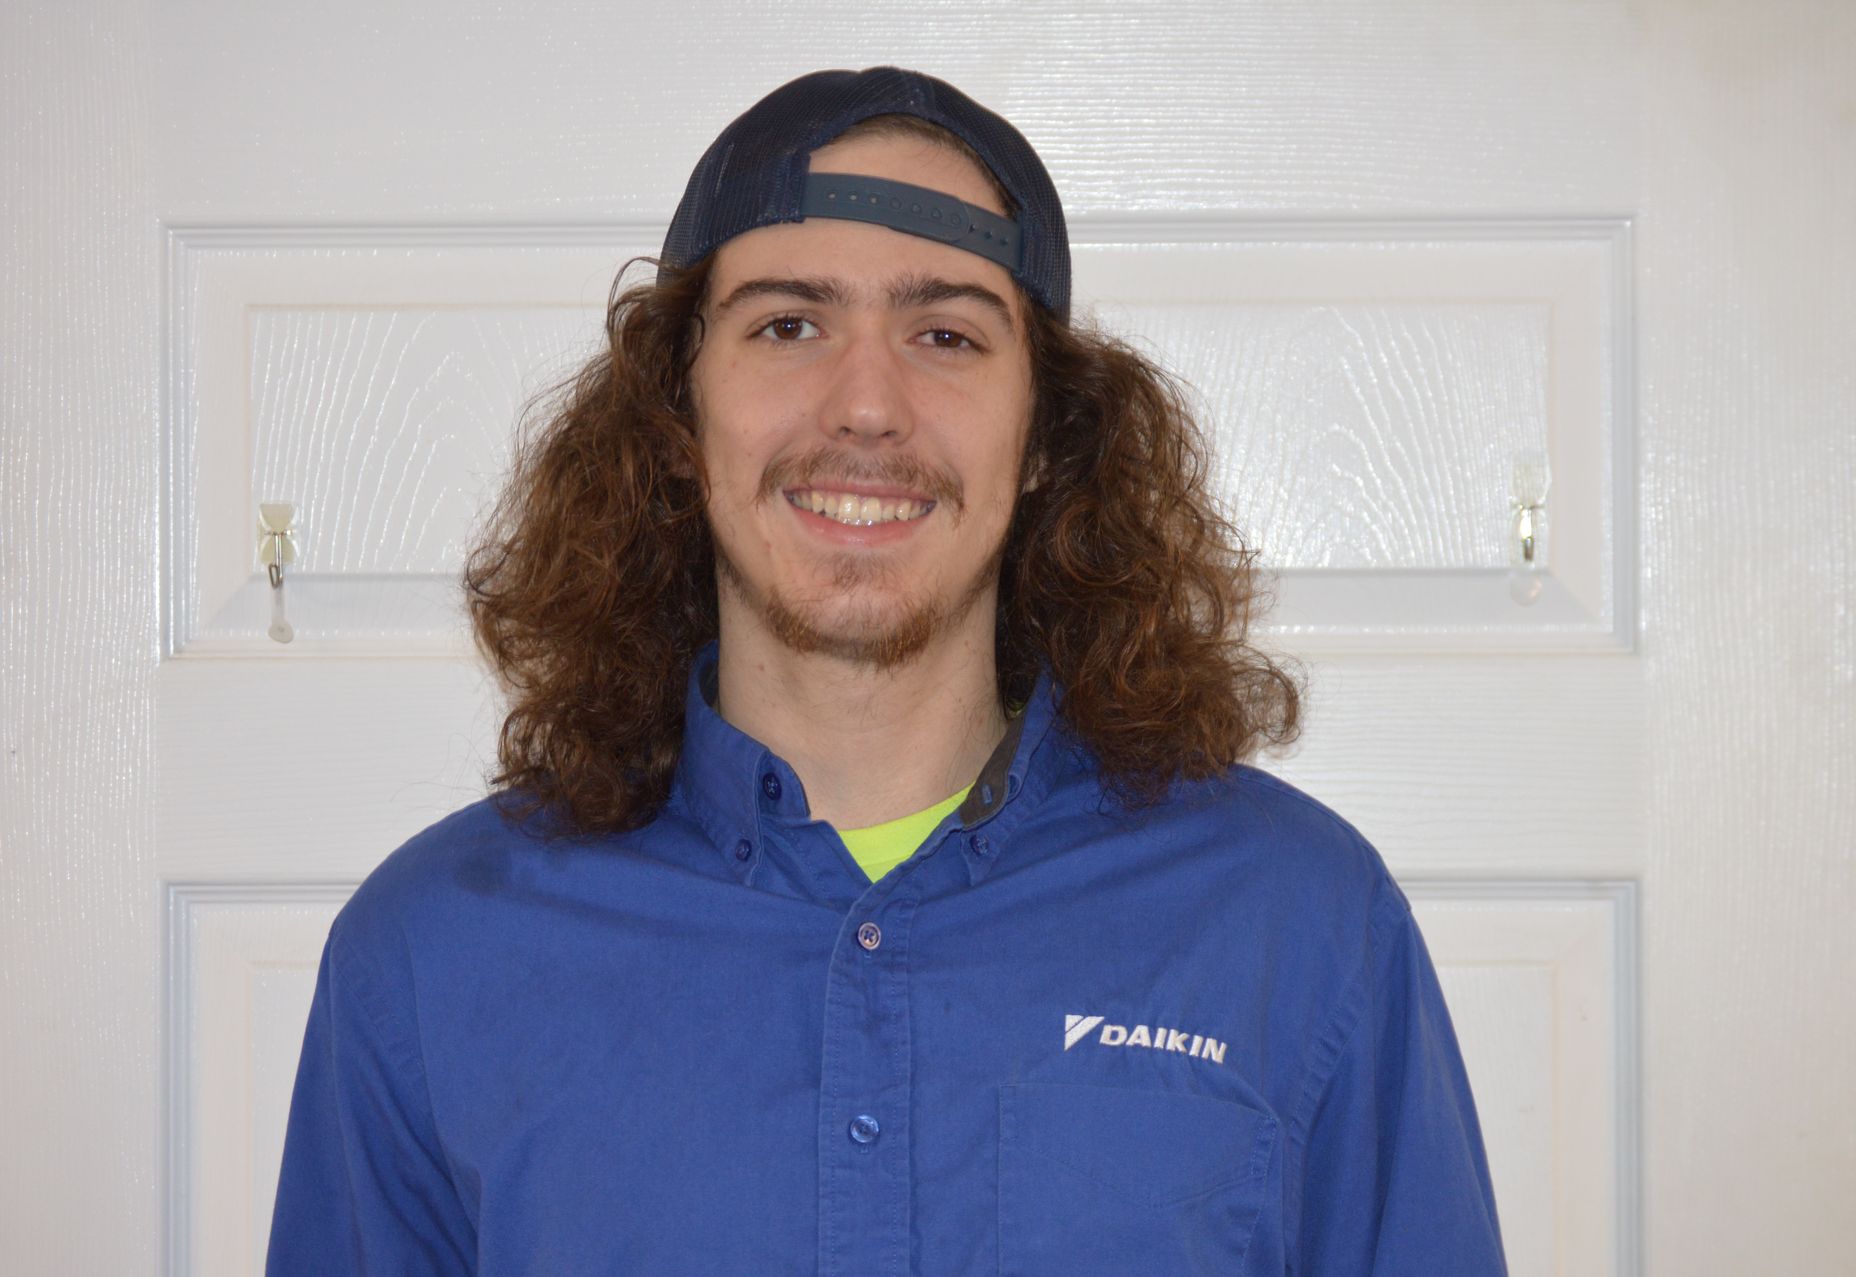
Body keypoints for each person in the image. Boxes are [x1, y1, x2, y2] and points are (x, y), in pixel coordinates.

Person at [265, 66, 1508, 1276]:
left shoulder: (1293, 921)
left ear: (1043, 438)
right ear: (677, 418)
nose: (867, 403)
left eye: (948, 332)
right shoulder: (434, 952)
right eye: (790, 323)